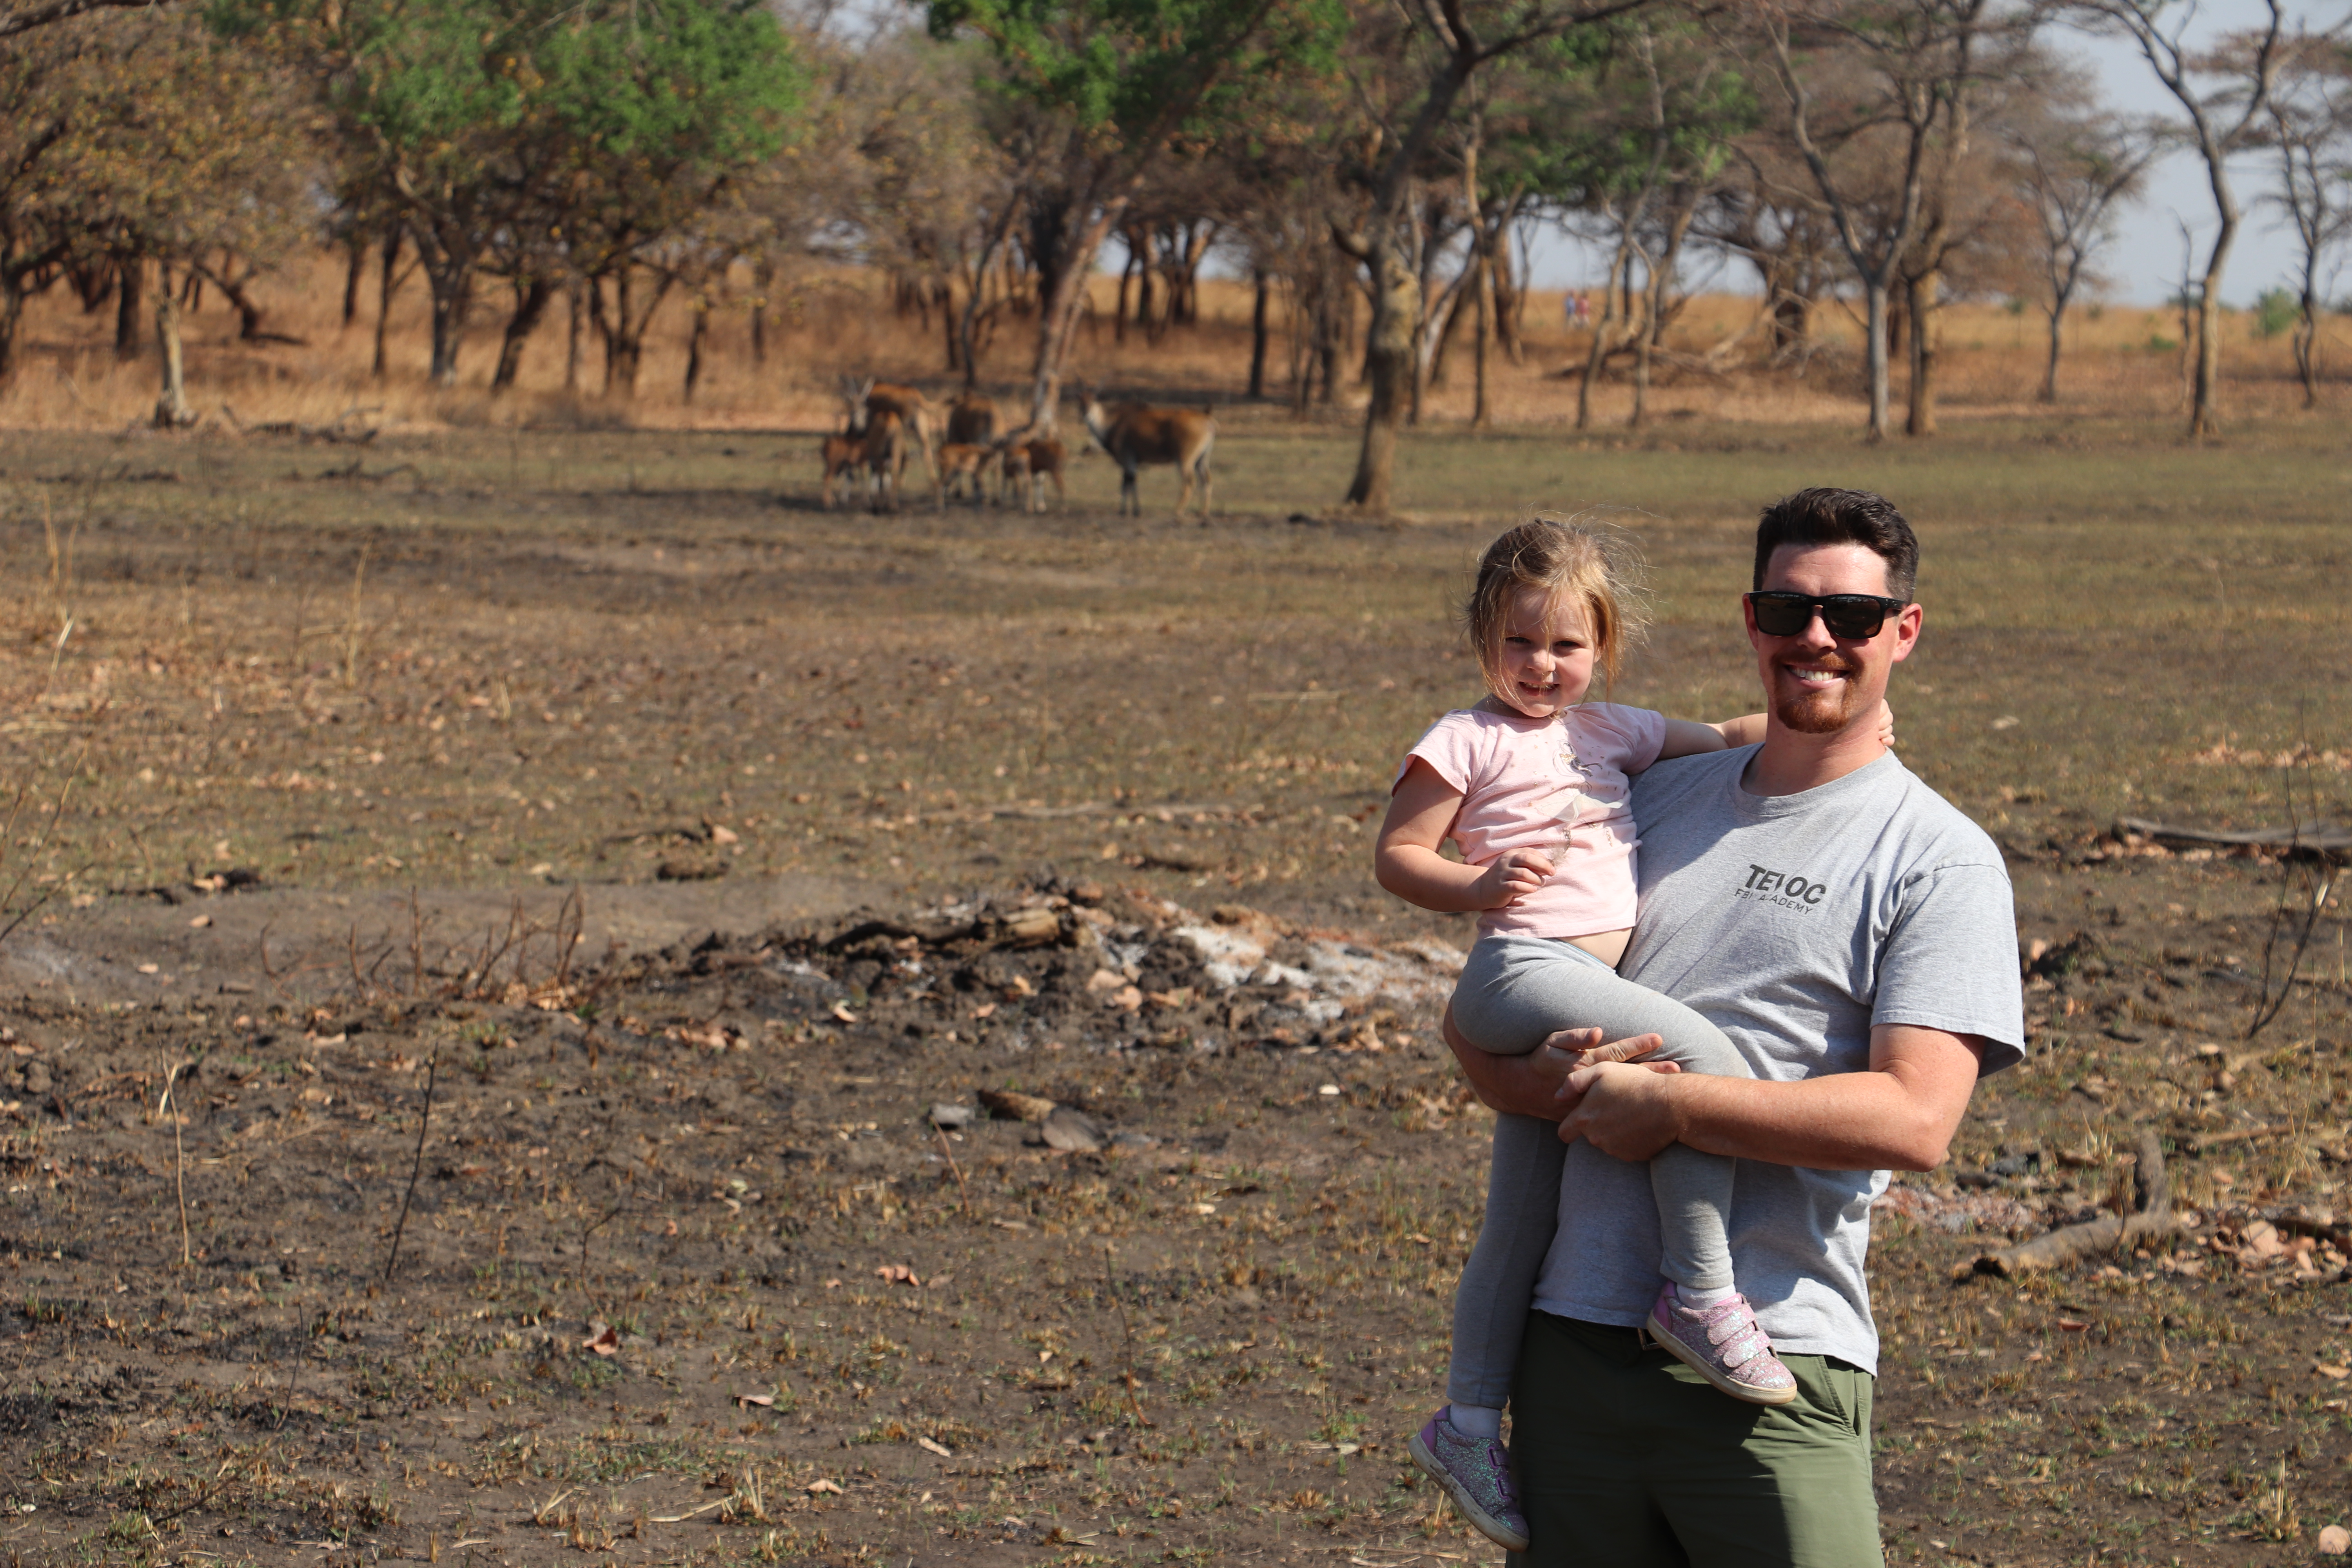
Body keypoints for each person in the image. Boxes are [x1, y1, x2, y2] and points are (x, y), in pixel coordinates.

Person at [1443, 487, 2024, 1568]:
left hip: (1775, 1354)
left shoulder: (1937, 859)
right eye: (1789, 610)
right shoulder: (1642, 798)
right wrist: (1541, 1090)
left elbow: (1916, 1120)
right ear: (1750, 621)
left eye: (1853, 618)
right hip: (1568, 1348)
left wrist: (1670, 1106)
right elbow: (1490, 1004)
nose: (1817, 639)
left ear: (1905, 631)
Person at [1377, 518, 1867, 1553]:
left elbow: (1726, 739)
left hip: (1576, 1003)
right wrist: (1474, 882)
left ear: (1601, 646)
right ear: (1482, 640)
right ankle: (1699, 1294)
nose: (1542, 667)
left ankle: (1467, 1426)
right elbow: (1397, 855)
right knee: (1704, 1059)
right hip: (1517, 972)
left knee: (1519, 1221)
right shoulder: (1465, 738)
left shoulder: (1616, 732)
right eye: (1520, 644)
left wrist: (1825, 732)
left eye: (1566, 646)